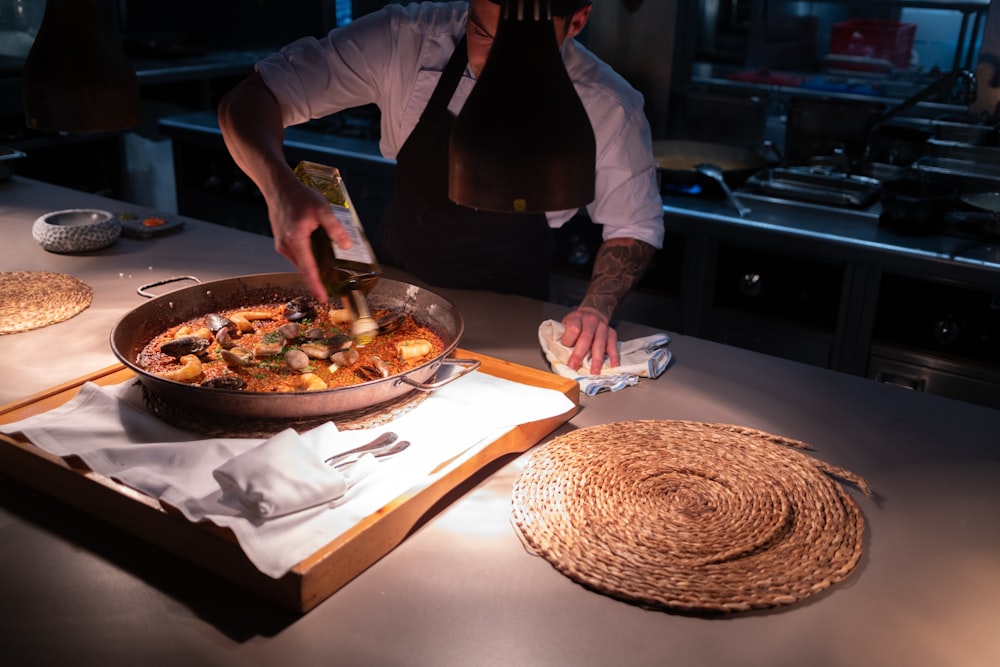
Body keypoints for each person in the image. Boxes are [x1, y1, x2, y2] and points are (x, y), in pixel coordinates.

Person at [218, 0, 664, 375]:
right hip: (390, 299)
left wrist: (596, 308)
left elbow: (634, 223)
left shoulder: (608, 103)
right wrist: (278, 187)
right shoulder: (406, 40)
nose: (496, 68)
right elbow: (252, 98)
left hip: (511, 311)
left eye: (521, 48)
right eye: (482, 34)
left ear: (577, 23)